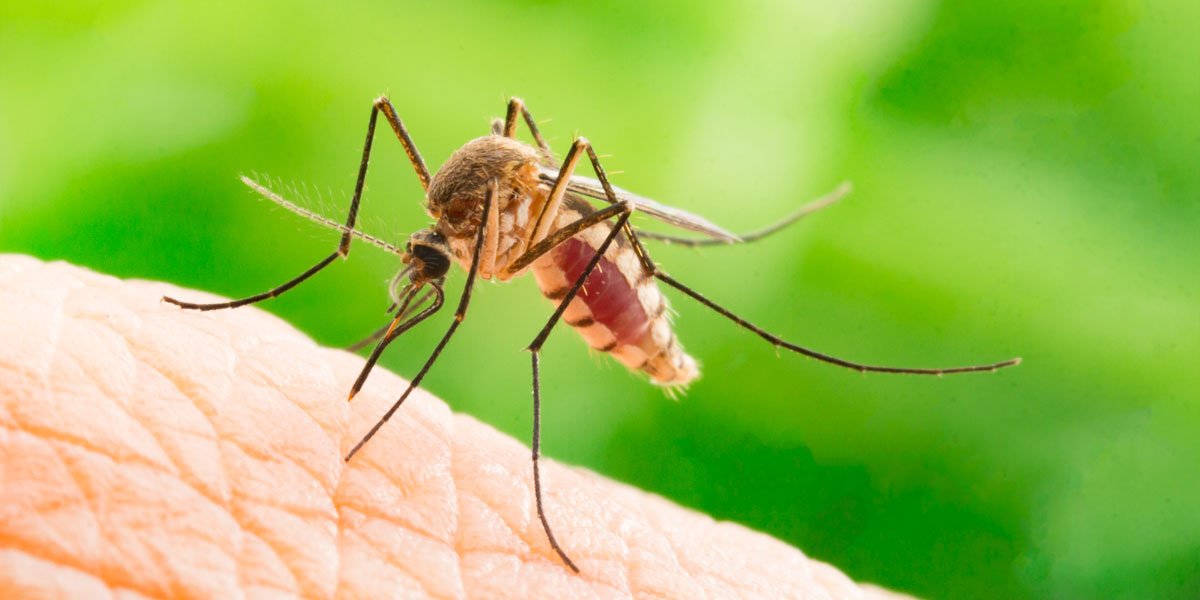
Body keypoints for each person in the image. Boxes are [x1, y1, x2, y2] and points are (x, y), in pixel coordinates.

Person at [0, 255, 906, 598]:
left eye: (430, 262)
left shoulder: (499, 230)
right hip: (548, 228)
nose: (425, 274)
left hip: (588, 241)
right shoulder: (457, 223)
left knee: (542, 256)